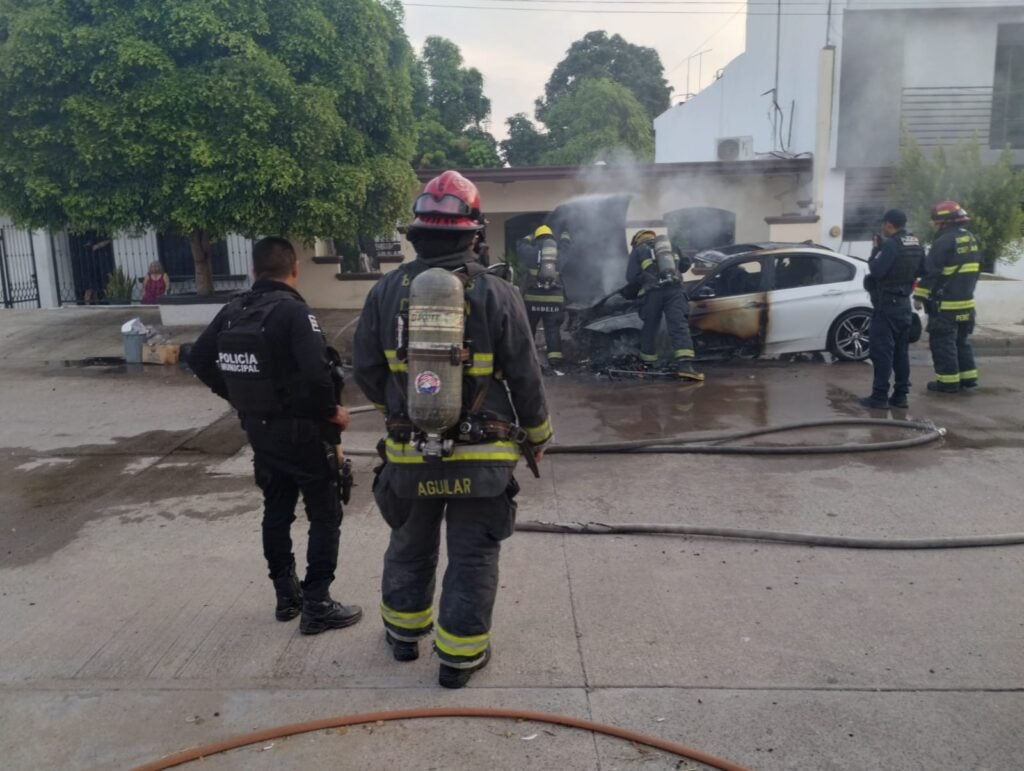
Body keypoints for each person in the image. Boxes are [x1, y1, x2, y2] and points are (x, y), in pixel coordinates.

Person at [353, 170, 552, 689]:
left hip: (410, 451)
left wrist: (398, 408)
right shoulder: (498, 292)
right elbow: (526, 374)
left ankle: (402, 638)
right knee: (473, 554)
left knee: (409, 543)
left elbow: (367, 370)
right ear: (473, 234)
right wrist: (538, 434)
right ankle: (458, 661)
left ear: (416, 235)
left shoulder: (383, 293)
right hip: (483, 459)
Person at [187, 237, 362, 635]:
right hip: (303, 433)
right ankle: (318, 604)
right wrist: (331, 413)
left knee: (277, 511)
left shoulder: (233, 310)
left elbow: (198, 357)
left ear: (253, 270)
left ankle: (287, 597)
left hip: (260, 432)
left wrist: (241, 399)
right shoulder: (293, 313)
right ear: (295, 268)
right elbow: (319, 375)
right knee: (325, 515)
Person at [914, 200, 981, 394]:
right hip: (966, 303)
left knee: (942, 343)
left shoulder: (943, 241)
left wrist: (919, 296)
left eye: (937, 222)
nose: (935, 225)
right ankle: (968, 378)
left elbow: (931, 272)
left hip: (946, 305)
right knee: (961, 341)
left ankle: (948, 382)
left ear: (945, 221)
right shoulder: (971, 238)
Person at [859, 209, 923, 409]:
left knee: (882, 352)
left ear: (889, 224)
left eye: (883, 225)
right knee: (901, 353)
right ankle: (900, 396)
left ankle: (879, 397)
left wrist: (876, 250)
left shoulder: (891, 246)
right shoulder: (916, 243)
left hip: (887, 305)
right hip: (904, 304)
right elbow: (923, 270)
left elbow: (876, 270)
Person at [625, 230, 704, 381]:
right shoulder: (670, 246)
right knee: (678, 325)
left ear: (637, 240)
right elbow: (686, 264)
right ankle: (686, 367)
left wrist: (644, 280)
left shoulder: (638, 250)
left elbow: (630, 277)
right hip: (675, 290)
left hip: (652, 293)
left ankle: (648, 363)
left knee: (650, 326)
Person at [523, 224, 566, 375]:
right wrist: (565, 234)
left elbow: (520, 245)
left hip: (532, 300)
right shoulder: (559, 253)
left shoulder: (530, 251)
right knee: (552, 329)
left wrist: (529, 237)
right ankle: (555, 359)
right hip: (554, 299)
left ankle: (527, 357)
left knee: (529, 328)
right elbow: (568, 247)